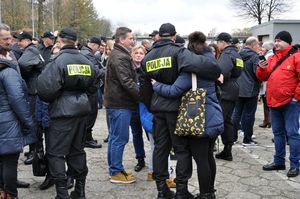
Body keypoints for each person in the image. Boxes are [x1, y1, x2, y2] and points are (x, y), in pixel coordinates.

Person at [140, 23, 221, 199]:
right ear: (174, 36)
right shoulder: (179, 52)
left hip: (158, 109)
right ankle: (182, 190)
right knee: (182, 150)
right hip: (176, 108)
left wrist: (152, 105)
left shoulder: (147, 57)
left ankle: (162, 190)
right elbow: (209, 68)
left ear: (159, 36)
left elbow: (144, 88)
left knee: (160, 149)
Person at [37, 27, 100, 198]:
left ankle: (62, 194)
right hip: (81, 112)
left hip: (62, 114)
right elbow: (94, 85)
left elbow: (44, 90)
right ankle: (80, 191)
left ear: (60, 41)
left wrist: (61, 96)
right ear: (75, 41)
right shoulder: (87, 61)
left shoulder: (57, 62)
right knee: (77, 151)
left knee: (56, 153)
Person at [257, 31, 300, 178]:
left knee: (293, 134)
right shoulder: (273, 58)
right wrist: (261, 68)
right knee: (278, 133)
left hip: (290, 103)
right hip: (274, 101)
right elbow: (263, 77)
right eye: (275, 41)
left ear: (288, 42)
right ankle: (279, 161)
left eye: (279, 41)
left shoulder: (296, 57)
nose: (276, 43)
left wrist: (296, 97)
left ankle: (295, 165)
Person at [0, 45, 36, 199]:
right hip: (8, 122)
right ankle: (11, 194)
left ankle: (2, 191)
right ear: (4, 56)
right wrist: (28, 122)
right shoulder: (8, 72)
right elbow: (18, 100)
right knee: (9, 161)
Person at [104, 27, 139, 184]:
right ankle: (116, 172)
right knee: (119, 138)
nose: (133, 41)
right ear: (121, 39)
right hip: (120, 104)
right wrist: (142, 95)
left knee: (114, 138)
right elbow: (127, 81)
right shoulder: (120, 57)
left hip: (116, 103)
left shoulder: (119, 54)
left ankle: (115, 169)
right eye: (130, 38)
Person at [15, 31, 44, 165]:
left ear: (27, 40)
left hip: (34, 90)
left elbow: (21, 64)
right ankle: (35, 149)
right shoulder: (33, 49)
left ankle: (35, 152)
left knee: (34, 122)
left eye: (20, 40)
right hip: (36, 89)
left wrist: (22, 75)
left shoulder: (30, 50)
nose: (18, 43)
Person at [214, 32, 243, 161]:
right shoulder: (237, 54)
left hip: (224, 91)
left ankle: (210, 148)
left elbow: (221, 74)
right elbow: (238, 71)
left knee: (218, 120)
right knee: (227, 121)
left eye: (218, 42)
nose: (217, 45)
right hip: (234, 88)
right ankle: (227, 150)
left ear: (222, 42)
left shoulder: (226, 54)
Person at [232, 36, 260, 146]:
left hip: (238, 88)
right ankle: (247, 139)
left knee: (236, 114)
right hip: (250, 90)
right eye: (258, 44)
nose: (259, 47)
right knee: (249, 115)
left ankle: (233, 138)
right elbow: (257, 73)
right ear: (253, 45)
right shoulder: (255, 57)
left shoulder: (238, 55)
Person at [80, 36, 103, 149]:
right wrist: (105, 70)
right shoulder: (88, 55)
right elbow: (95, 72)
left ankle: (87, 137)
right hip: (90, 89)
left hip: (87, 88)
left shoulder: (83, 52)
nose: (98, 50)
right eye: (98, 47)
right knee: (91, 114)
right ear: (94, 45)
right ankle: (87, 139)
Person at [131, 45, 146, 172]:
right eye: (136, 53)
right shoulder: (128, 69)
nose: (139, 55)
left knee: (150, 133)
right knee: (136, 134)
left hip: (146, 106)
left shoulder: (147, 68)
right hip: (133, 106)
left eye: (141, 53)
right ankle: (140, 158)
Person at [258, 40, 274, 128]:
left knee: (267, 102)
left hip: (268, 83)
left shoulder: (269, 56)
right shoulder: (268, 55)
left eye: (264, 47)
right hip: (267, 83)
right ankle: (267, 120)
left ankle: (268, 120)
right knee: (266, 102)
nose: (262, 48)